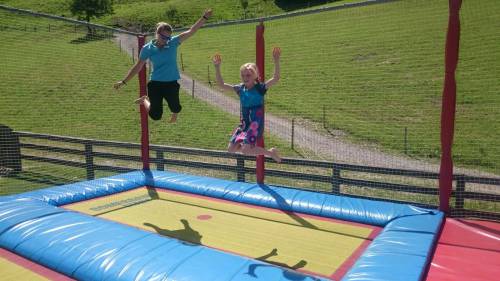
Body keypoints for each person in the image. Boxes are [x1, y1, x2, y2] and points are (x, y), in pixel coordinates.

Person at [114, 9, 213, 123]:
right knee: (156, 116)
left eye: (168, 38)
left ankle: (174, 114)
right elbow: (138, 66)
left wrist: (204, 18)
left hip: (171, 82)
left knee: (176, 107)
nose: (166, 40)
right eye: (163, 37)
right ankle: (144, 100)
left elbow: (191, 31)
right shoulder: (147, 48)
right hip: (155, 83)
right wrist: (124, 81)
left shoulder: (173, 42)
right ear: (157, 34)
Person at [212, 47, 282, 163]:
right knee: (231, 149)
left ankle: (270, 152)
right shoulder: (240, 89)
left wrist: (276, 60)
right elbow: (221, 85)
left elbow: (276, 78)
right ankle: (249, 146)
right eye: (243, 76)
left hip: (255, 123)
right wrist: (217, 67)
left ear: (255, 76)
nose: (245, 78)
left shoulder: (260, 88)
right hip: (244, 124)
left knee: (246, 150)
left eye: (248, 75)